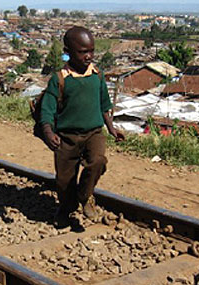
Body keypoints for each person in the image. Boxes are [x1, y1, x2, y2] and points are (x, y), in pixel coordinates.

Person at [40, 26, 125, 227]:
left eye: (91, 51)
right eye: (83, 52)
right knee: (64, 180)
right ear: (68, 51)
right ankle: (67, 208)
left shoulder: (97, 75)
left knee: (97, 162)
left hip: (93, 133)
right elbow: (48, 108)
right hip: (66, 137)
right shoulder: (60, 79)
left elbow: (104, 105)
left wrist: (111, 128)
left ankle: (85, 197)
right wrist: (48, 131)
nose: (88, 56)